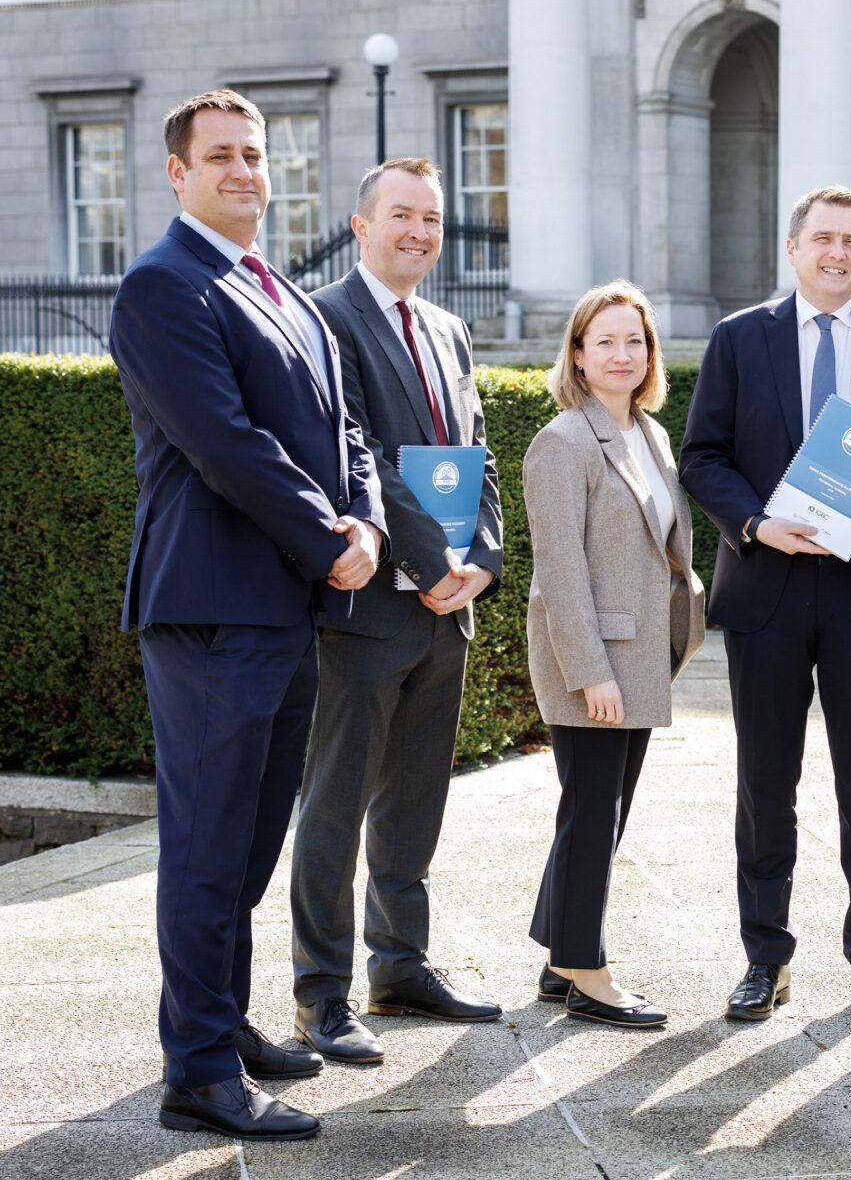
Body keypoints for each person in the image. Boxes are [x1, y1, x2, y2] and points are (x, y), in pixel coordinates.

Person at [111, 90, 383, 1141]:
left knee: (251, 838)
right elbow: (226, 446)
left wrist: (365, 522)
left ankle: (218, 1027)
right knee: (209, 843)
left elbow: (344, 427)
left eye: (254, 155)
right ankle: (198, 1075)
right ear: (176, 173)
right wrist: (332, 543)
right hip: (213, 606)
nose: (241, 171)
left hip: (286, 605)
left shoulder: (286, 293)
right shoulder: (162, 287)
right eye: (217, 156)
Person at [679, 185, 851, 1025]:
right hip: (766, 585)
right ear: (793, 247)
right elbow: (703, 457)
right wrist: (758, 523)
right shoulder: (740, 338)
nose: (838, 253)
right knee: (767, 782)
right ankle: (765, 956)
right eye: (824, 239)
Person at [289, 158, 506, 1064]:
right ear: (360, 223)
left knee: (416, 797)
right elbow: (358, 452)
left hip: (444, 606)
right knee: (336, 802)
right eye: (401, 216)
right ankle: (321, 993)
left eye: (433, 218)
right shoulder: (324, 319)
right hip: (365, 606)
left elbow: (479, 452)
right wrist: (427, 556)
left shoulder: (450, 329)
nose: (419, 231)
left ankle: (401, 964)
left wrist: (483, 560)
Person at [522, 280, 705, 1029]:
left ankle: (558, 952)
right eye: (606, 341)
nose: (622, 354)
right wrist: (590, 669)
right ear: (578, 353)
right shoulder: (563, 441)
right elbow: (559, 570)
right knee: (595, 809)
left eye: (635, 340)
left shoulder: (649, 434)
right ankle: (588, 971)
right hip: (595, 656)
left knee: (599, 807)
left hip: (640, 651)